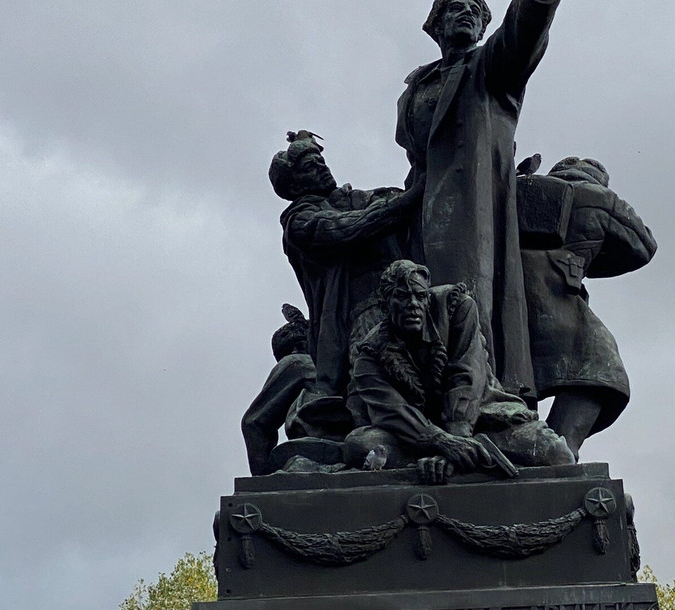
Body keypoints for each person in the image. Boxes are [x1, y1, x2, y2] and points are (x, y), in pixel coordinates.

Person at [395, 0, 577, 399]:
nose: (466, 16)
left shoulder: (489, 70)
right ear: (435, 26)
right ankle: (419, 393)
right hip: (419, 209)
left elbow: (522, 32)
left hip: (473, 211)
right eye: (455, 9)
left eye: (474, 12)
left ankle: (476, 393)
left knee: (467, 298)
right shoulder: (415, 88)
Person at [347, 260, 574, 482]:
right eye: (403, 296)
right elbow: (392, 411)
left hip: (481, 420)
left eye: (420, 296)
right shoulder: (370, 353)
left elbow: (466, 377)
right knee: (361, 445)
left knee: (557, 454)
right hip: (417, 436)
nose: (413, 304)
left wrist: (457, 441)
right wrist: (442, 443)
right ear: (386, 303)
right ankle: (460, 466)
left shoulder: (456, 307)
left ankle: (451, 465)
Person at [270, 131, 424, 436]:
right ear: (294, 184)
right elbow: (351, 228)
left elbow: (384, 201)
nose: (321, 167)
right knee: (374, 381)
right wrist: (404, 202)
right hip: (359, 314)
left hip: (409, 299)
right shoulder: (300, 222)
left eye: (320, 161)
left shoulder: (349, 199)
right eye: (309, 166)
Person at [519, 157, 657, 458]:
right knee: (599, 364)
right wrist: (588, 262)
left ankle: (541, 444)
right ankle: (559, 444)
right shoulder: (599, 197)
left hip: (512, 286)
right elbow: (643, 246)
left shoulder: (520, 187)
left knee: (521, 372)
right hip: (554, 286)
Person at [240, 305, 314, 475]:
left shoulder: (297, 362)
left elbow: (254, 422)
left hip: (310, 451)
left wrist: (262, 477)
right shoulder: (344, 364)